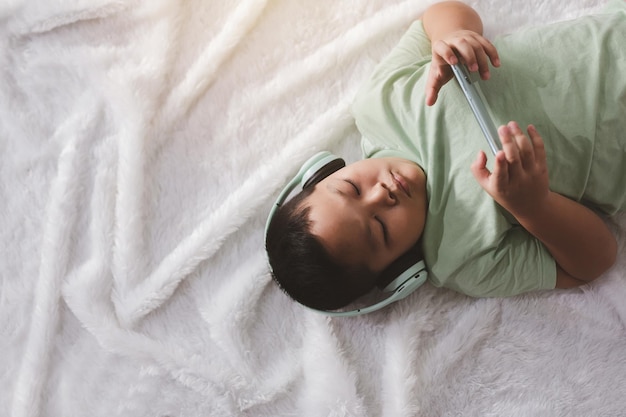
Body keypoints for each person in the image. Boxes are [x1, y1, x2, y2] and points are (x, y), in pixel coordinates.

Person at [266, 0, 625, 311]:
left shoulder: (380, 105)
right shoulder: (460, 259)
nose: (381, 195)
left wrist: (450, 37)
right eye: (379, 229)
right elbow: (594, 260)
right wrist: (534, 207)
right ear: (399, 267)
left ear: (325, 172)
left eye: (351, 189)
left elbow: (440, 14)